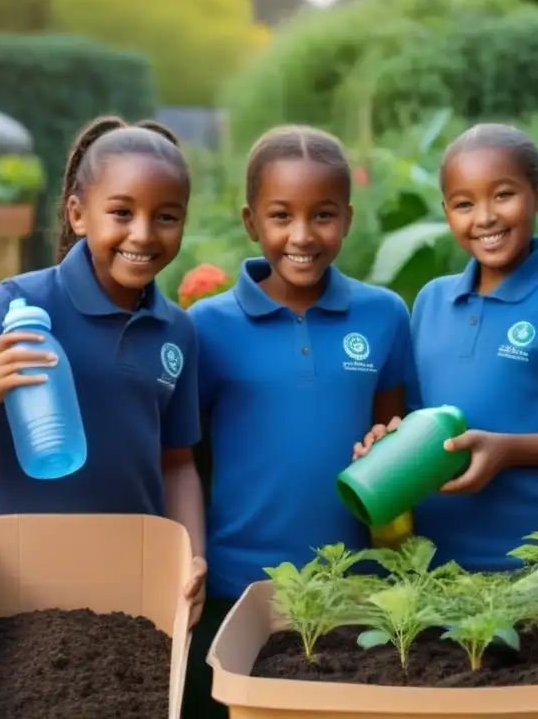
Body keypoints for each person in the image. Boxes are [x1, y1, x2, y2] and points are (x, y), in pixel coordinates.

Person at [182, 125, 416, 718]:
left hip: (352, 590)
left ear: (348, 217)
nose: (303, 236)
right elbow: (185, 454)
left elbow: (392, 449)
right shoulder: (207, 326)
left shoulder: (383, 315)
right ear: (250, 220)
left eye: (324, 215)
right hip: (238, 590)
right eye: (281, 216)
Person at [0, 115, 206, 616]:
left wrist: (192, 556)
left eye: (166, 216)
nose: (143, 233)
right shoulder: (20, 305)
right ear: (78, 214)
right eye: (121, 212)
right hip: (18, 585)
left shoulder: (176, 331)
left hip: (130, 588)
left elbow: (178, 465)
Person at [353, 123, 538, 572]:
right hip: (432, 560)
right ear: (447, 212)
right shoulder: (431, 299)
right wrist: (385, 441)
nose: (484, 217)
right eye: (464, 204)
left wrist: (508, 450)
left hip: (529, 560)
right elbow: (417, 418)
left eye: (503, 195)